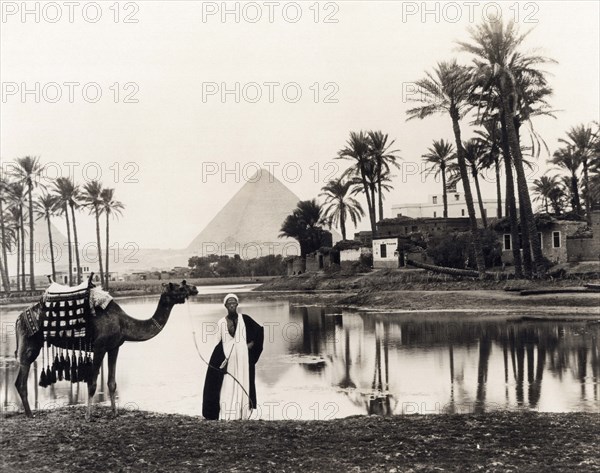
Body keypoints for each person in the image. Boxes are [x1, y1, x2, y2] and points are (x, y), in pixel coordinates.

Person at [202, 293, 264, 420]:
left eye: (233, 302)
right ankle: (228, 414)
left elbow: (259, 331)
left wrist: (251, 343)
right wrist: (219, 361)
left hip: (242, 359)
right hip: (228, 360)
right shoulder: (221, 323)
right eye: (229, 303)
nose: (231, 304)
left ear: (237, 304)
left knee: (243, 381)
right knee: (227, 384)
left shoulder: (245, 319)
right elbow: (217, 343)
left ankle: (243, 414)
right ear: (225, 305)